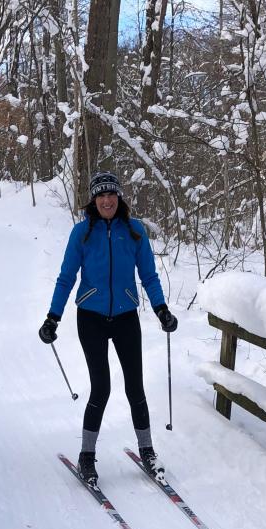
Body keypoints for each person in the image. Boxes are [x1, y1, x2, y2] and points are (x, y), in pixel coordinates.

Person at [38, 171, 177, 486]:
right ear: (93, 199)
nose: (107, 200)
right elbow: (66, 278)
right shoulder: (82, 233)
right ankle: (87, 456)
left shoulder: (135, 231)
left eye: (111, 194)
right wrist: (53, 317)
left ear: (119, 197)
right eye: (101, 195)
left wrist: (161, 309)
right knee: (101, 387)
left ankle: (148, 451)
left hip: (126, 316)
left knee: (135, 387)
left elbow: (149, 276)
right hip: (91, 318)